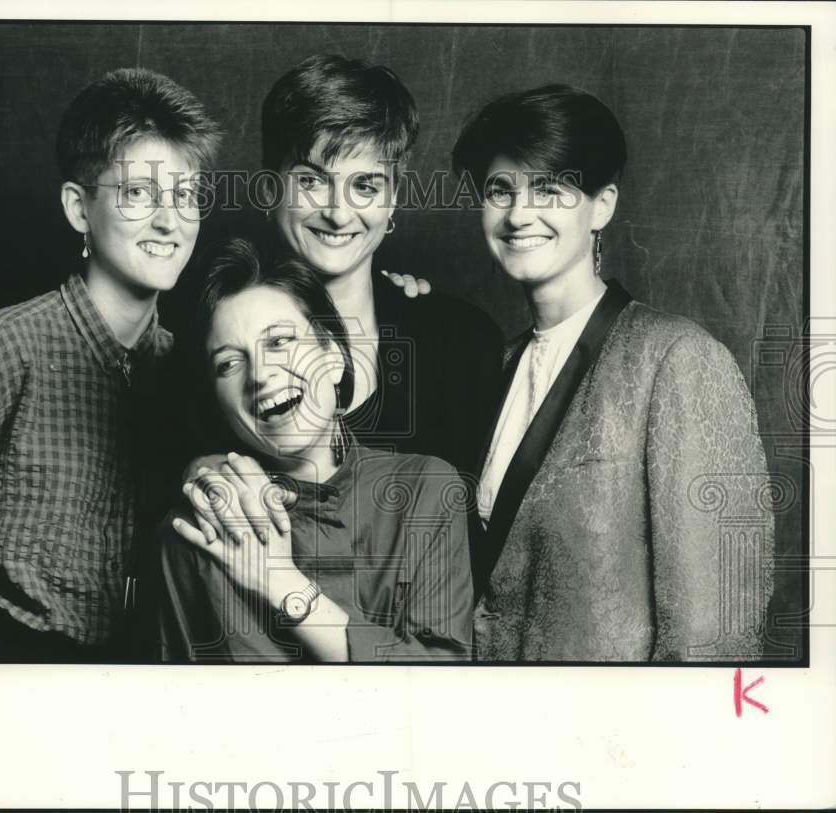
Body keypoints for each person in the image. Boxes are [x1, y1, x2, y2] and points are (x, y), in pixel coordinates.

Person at [0, 68, 222, 661]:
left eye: (185, 196)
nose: (170, 221)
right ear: (79, 209)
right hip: (2, 662)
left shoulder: (189, 368)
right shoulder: (6, 345)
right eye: (138, 194)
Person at [451, 84, 775, 661]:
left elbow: (717, 630)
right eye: (501, 190)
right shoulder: (493, 364)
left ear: (604, 204)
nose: (520, 213)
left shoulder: (678, 359)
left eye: (549, 188)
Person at [155, 238, 474, 662]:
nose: (262, 376)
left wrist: (284, 585)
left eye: (280, 342)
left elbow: (446, 685)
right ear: (216, 401)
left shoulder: (425, 490)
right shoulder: (200, 530)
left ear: (335, 355)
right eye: (229, 363)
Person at [258, 53, 505, 480]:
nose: (338, 212)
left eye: (365, 185)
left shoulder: (463, 346)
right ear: (269, 188)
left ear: (392, 199)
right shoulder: (213, 346)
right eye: (312, 180)